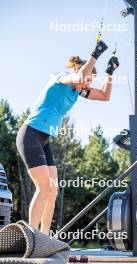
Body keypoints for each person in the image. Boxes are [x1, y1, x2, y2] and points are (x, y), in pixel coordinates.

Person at [16, 40, 119, 235]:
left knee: (53, 190)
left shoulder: (78, 91)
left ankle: (45, 237)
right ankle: (31, 235)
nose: (89, 83)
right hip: (29, 134)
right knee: (44, 187)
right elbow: (79, 76)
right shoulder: (61, 78)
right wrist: (95, 54)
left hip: (44, 139)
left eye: (91, 80)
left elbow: (105, 96)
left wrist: (110, 72)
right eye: (89, 78)